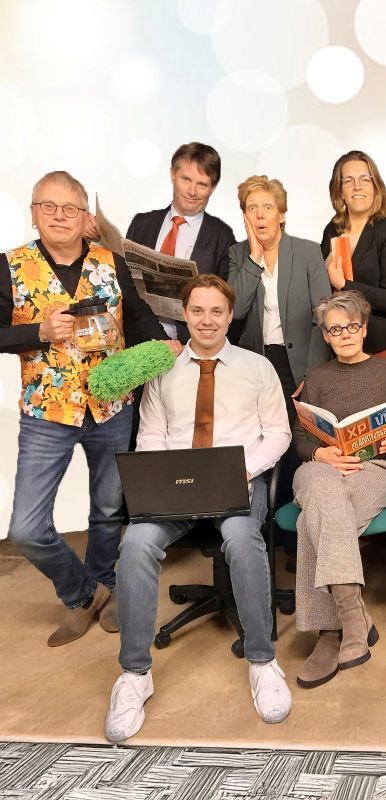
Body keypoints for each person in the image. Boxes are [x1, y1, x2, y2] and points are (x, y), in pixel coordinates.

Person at [105, 274, 292, 742]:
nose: (207, 320)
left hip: (237, 481)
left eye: (216, 311)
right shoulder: (163, 368)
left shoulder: (257, 368)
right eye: (198, 311)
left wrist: (246, 470)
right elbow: (150, 433)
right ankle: (134, 674)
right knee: (136, 545)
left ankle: (262, 661)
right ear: (184, 314)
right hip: (175, 487)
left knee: (242, 538)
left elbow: (279, 433)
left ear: (230, 316)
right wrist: (160, 476)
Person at [1, 170, 179, 647]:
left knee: (107, 510)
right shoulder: (9, 266)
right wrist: (36, 333)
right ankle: (82, 593)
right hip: (47, 413)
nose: (60, 216)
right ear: (34, 213)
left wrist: (163, 345)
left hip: (111, 407)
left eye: (71, 209)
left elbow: (136, 314)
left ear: (85, 218)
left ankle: (108, 582)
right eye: (49, 206)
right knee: (26, 528)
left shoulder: (110, 261)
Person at [291, 291, 386, 689]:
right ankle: (352, 618)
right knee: (323, 493)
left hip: (372, 467)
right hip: (320, 467)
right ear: (325, 336)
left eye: (351, 326)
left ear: (363, 329)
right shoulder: (317, 377)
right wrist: (318, 452)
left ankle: (330, 634)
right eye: (334, 329)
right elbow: (299, 434)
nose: (344, 335)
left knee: (312, 520)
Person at [227, 175, 330, 419]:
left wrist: (312, 373)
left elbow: (323, 315)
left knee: (296, 434)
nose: (260, 215)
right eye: (252, 208)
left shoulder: (308, 252)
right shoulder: (237, 254)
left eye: (268, 207)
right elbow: (235, 311)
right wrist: (254, 257)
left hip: (298, 364)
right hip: (254, 362)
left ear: (281, 215)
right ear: (244, 216)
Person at [125, 142, 236, 342]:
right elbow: (124, 286)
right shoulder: (141, 224)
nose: (192, 191)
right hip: (140, 342)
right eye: (186, 179)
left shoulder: (222, 236)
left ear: (212, 188)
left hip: (192, 345)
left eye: (202, 184)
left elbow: (226, 302)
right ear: (173, 175)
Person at [321, 150, 386, 360]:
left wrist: (345, 285)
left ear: (375, 187)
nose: (357, 186)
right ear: (340, 191)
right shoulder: (332, 230)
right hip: (339, 344)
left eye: (364, 179)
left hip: (379, 344)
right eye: (348, 181)